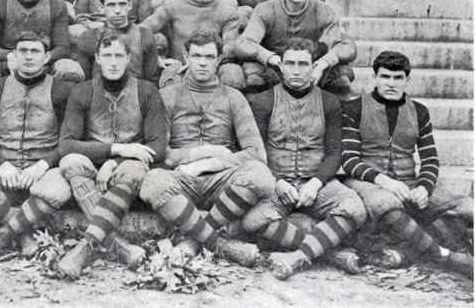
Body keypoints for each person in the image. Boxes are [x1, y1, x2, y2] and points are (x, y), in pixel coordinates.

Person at [139, 30, 274, 266]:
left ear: (219, 60)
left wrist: (208, 164)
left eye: (210, 57)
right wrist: (204, 153)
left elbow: (256, 152)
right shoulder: (167, 96)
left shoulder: (233, 97)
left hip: (222, 180)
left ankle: (192, 242)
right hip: (182, 178)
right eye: (197, 55)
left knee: (260, 175)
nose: (202, 62)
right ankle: (220, 244)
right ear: (185, 57)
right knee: (152, 183)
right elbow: (162, 153)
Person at [242, 38, 368, 280]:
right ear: (281, 67)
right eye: (290, 63)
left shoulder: (328, 101)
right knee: (251, 220)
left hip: (316, 183)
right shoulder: (264, 100)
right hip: (277, 183)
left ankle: (296, 257)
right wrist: (277, 181)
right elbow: (255, 150)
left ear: (314, 67)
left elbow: (334, 152)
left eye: (303, 64)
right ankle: (329, 253)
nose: (296, 70)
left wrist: (316, 182)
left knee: (354, 207)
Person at [342, 50, 473, 276]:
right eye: (385, 77)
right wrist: (385, 181)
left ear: (407, 80)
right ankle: (445, 256)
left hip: (409, 181)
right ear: (374, 77)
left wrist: (424, 187)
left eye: (398, 78)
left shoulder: (419, 111)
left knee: (466, 207)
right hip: (367, 182)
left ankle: (407, 252)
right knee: (387, 205)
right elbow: (349, 160)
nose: (391, 83)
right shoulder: (354, 108)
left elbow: (430, 159)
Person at [56, 31, 167, 278]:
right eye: (107, 55)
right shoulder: (82, 91)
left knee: (134, 168)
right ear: (97, 58)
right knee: (71, 161)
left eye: (119, 55)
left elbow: (157, 147)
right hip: (94, 169)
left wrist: (115, 162)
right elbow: (66, 144)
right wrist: (115, 150)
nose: (113, 62)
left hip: (128, 175)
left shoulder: (147, 91)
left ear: (129, 58)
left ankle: (86, 246)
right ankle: (119, 246)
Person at [0, 32, 74, 261]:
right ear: (13, 55)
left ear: (47, 56)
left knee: (59, 190)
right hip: (6, 168)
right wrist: (1, 165)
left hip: (41, 170)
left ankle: (2, 235)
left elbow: (67, 140)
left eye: (35, 51)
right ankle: (24, 236)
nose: (29, 57)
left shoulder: (61, 89)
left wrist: (42, 165)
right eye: (23, 51)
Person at [235, 0, 356, 96]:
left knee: (342, 73)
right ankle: (258, 114)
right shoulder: (266, 9)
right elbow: (243, 44)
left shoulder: (322, 11)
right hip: (277, 71)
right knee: (252, 70)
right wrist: (270, 58)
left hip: (310, 72)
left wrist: (323, 63)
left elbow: (347, 47)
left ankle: (339, 115)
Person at [140, 0, 241, 89]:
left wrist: (201, 62)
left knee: (233, 74)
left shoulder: (227, 11)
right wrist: (157, 60)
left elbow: (230, 47)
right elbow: (141, 30)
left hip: (212, 67)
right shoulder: (172, 6)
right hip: (180, 66)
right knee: (170, 80)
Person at [75, 0, 159, 83]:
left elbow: (152, 81)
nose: (117, 10)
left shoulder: (145, 35)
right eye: (111, 5)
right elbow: (85, 83)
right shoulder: (88, 37)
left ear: (130, 5)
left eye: (122, 4)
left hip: (135, 95)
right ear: (101, 7)